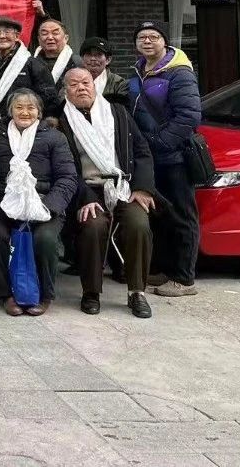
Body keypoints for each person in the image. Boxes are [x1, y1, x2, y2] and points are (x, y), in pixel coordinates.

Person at [56, 68, 156, 318]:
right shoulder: (60, 120)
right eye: (74, 84)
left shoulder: (118, 113)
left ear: (94, 85)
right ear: (65, 91)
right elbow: (63, 168)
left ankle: (137, 292)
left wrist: (142, 188)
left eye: (86, 82)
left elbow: (142, 151)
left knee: (138, 223)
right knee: (93, 225)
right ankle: (91, 291)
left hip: (123, 187)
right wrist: (85, 198)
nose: (81, 88)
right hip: (86, 189)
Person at [0, 90, 78, 316]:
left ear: (39, 112)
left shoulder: (54, 137)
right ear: (10, 111)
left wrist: (49, 206)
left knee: (45, 239)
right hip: (5, 202)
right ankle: (6, 294)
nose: (25, 112)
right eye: (19, 107)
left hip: (44, 203)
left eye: (30, 108)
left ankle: (44, 295)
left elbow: (67, 177)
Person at [128, 19, 202, 298]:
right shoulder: (138, 70)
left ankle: (184, 279)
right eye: (142, 37)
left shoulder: (179, 73)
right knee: (160, 216)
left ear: (165, 41)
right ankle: (163, 269)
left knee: (182, 216)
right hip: (152, 159)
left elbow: (189, 116)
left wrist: (160, 143)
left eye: (153, 36)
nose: (147, 41)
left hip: (175, 158)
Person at [78, 37, 129, 108]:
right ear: (82, 59)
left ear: (108, 60)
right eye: (89, 54)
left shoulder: (119, 84)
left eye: (98, 55)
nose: (93, 59)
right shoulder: (72, 82)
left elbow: (121, 110)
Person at [35, 19, 82, 90]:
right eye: (44, 34)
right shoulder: (30, 63)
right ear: (39, 39)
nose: (50, 37)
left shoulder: (77, 62)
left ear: (66, 38)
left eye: (55, 33)